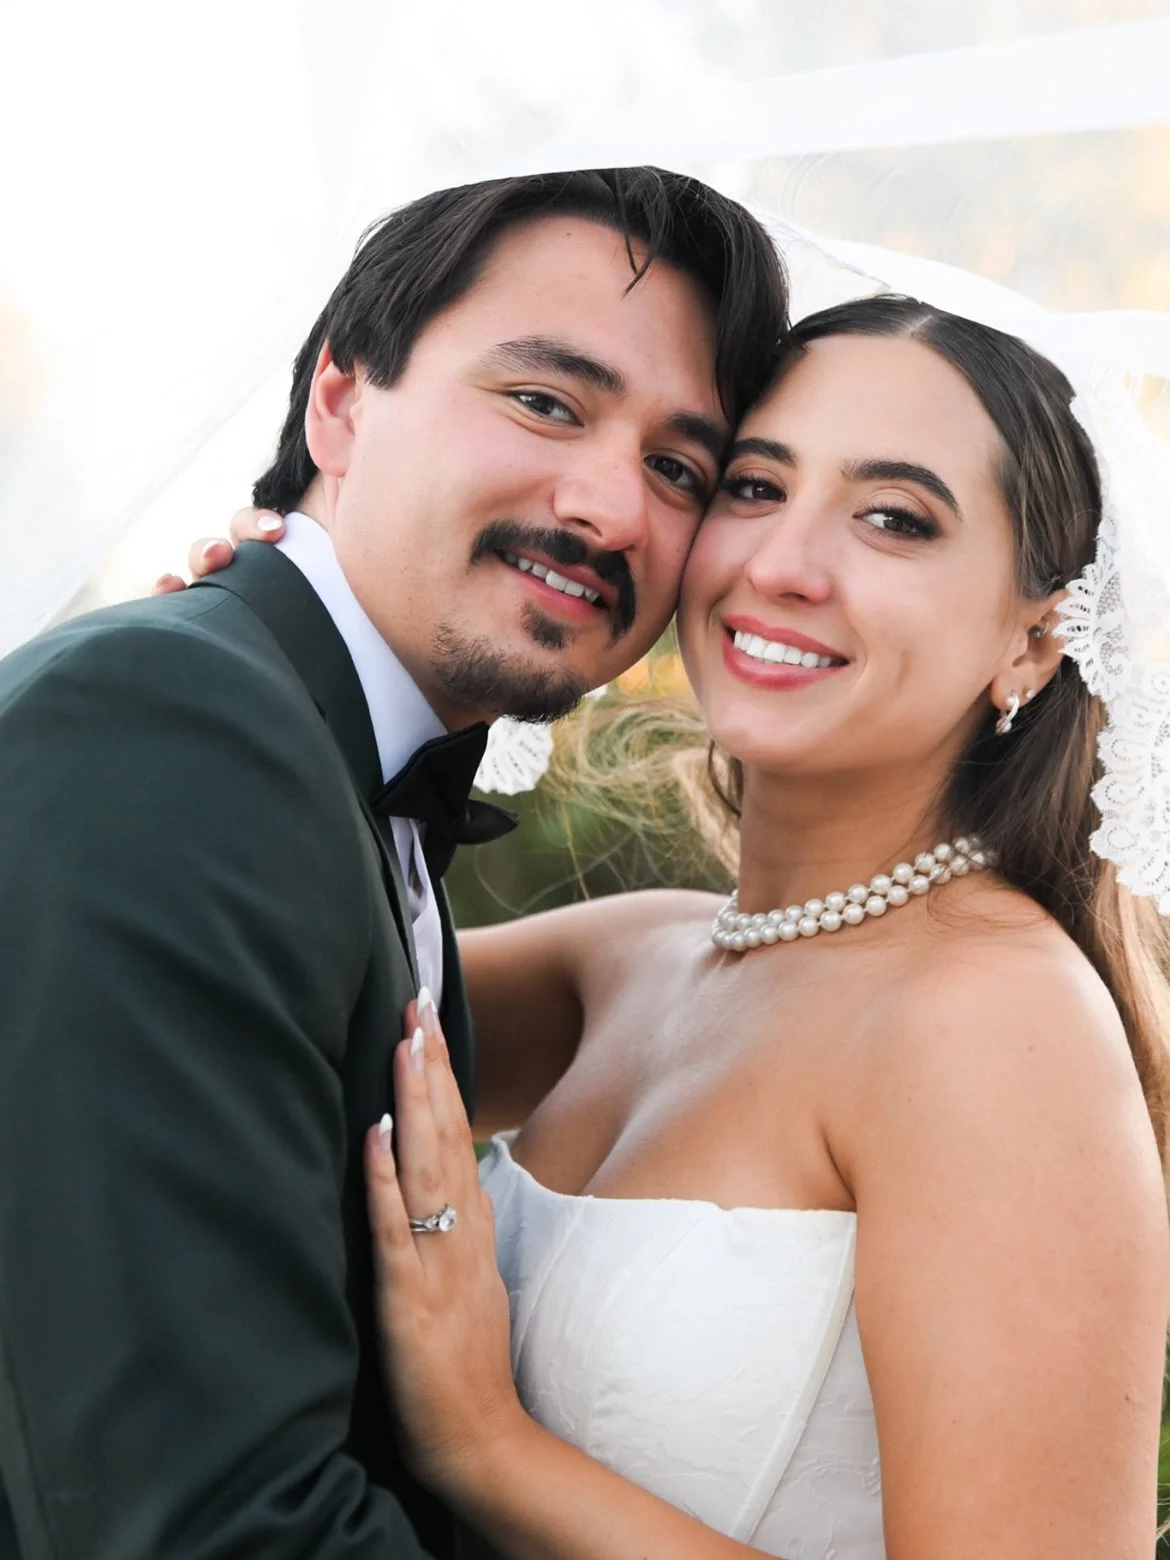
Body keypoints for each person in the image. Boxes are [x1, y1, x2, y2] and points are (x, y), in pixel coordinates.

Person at [192, 297, 1170, 1558]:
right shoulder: (633, 959)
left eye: (894, 518)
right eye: (754, 487)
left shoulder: (994, 1024)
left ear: (1036, 638)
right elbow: (236, 992)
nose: (782, 565)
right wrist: (248, 659)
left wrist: (486, 1439)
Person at [0, 168, 788, 1560]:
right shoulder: (176, 731)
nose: (611, 510)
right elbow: (210, 1526)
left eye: (679, 469)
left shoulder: (322, 772)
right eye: (546, 402)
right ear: (339, 405)